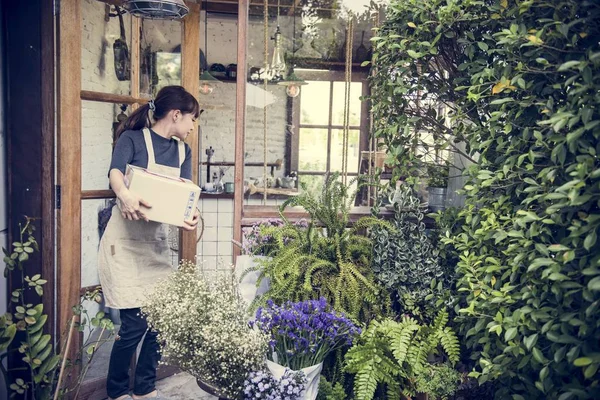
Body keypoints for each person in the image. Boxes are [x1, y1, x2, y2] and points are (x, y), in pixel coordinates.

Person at [98, 85, 201, 400]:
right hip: (124, 246)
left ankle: (143, 388)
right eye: (192, 119)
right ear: (175, 115)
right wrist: (125, 194)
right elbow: (115, 173)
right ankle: (117, 391)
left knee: (162, 321)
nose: (192, 127)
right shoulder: (132, 139)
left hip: (153, 246)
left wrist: (191, 214)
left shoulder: (184, 152)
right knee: (133, 327)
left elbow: (183, 196)